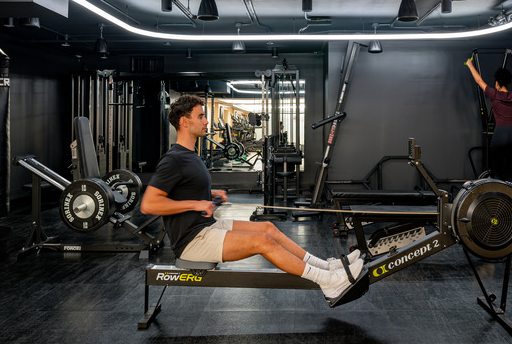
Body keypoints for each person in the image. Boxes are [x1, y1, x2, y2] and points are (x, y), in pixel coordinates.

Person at [140, 94, 363, 304]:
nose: (206, 121)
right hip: (192, 241)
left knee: (268, 227)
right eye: (200, 117)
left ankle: (327, 267)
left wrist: (210, 194)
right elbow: (149, 204)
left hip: (206, 226)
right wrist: (195, 203)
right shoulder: (173, 159)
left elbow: (184, 189)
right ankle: (328, 282)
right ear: (184, 122)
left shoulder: (191, 155)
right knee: (262, 242)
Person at [465, 55, 512, 184]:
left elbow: (479, 80)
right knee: (510, 174)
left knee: (497, 174)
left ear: (497, 82)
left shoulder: (494, 94)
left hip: (500, 135)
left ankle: (498, 197)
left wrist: (470, 64)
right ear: (508, 82)